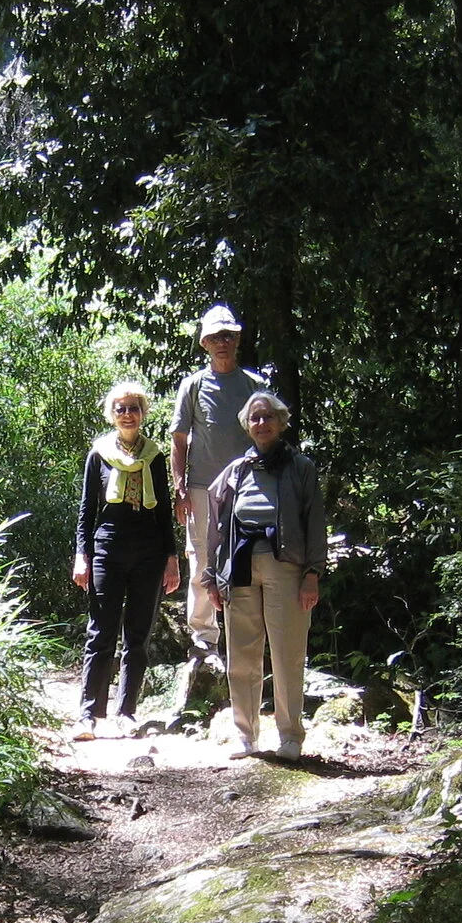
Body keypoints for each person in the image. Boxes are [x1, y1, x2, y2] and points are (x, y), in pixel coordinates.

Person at [203, 390, 326, 760]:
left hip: (286, 567)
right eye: (254, 418)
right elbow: (217, 524)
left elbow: (314, 522)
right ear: (247, 425)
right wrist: (212, 575)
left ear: (280, 421)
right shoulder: (237, 470)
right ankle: (246, 736)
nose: (261, 423)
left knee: (288, 653)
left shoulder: (300, 466)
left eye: (267, 416)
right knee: (241, 654)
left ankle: (290, 737)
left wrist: (312, 574)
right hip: (239, 566)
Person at [72, 381, 183, 734]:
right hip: (107, 549)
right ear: (112, 414)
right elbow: (87, 510)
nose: (127, 414)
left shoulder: (154, 456)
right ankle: (89, 714)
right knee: (100, 632)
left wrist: (171, 557)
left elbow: (163, 511)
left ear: (142, 413)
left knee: (138, 635)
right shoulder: (99, 453)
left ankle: (127, 712)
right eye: (120, 408)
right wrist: (82, 554)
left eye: (133, 407)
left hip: (148, 552)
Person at [171, 305, 273, 649]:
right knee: (202, 558)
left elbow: (268, 435)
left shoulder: (253, 384)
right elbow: (179, 438)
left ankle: (242, 638)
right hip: (201, 486)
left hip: (247, 486)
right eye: (215, 337)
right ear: (205, 343)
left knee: (246, 556)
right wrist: (179, 487)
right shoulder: (194, 385)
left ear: (237, 339)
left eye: (228, 335)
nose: (222, 342)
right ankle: (203, 638)